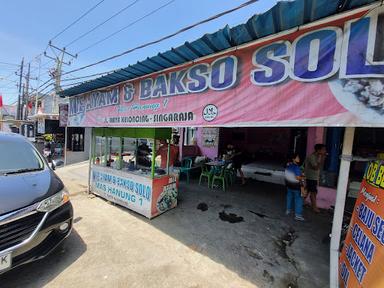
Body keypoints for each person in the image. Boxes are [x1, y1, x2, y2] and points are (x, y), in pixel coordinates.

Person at [304, 144, 327, 213]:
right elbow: (316, 167)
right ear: (318, 150)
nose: (324, 151)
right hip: (311, 177)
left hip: (313, 176)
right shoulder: (312, 157)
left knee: (307, 190)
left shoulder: (317, 156)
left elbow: (318, 167)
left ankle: (300, 202)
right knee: (313, 192)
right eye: (323, 150)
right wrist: (322, 158)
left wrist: (321, 158)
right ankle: (314, 207)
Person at [285, 152, 305, 221]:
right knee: (298, 199)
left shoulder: (288, 165)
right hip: (296, 186)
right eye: (297, 157)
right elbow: (297, 177)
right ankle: (298, 215)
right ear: (293, 159)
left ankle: (288, 210)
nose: (299, 158)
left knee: (289, 197)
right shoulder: (296, 167)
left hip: (289, 185)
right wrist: (303, 177)